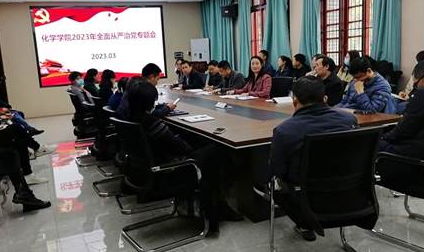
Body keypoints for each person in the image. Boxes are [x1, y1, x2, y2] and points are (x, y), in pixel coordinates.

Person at [126, 80, 243, 234]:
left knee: (207, 146)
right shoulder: (150, 122)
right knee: (218, 149)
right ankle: (216, 208)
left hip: (143, 172)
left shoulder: (130, 117)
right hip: (167, 173)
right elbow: (182, 148)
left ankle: (217, 203)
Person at [270, 77, 357, 241]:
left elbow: (277, 170)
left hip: (305, 199)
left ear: (294, 101)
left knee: (275, 185)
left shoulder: (285, 131)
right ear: (325, 99)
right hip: (349, 193)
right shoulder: (349, 120)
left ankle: (304, 223)